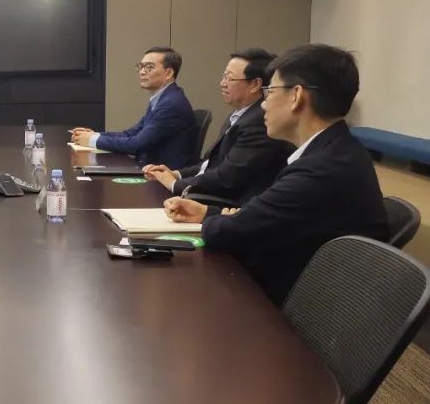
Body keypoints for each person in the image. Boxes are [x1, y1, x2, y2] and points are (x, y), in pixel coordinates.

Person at [163, 44, 388, 305]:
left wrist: (222, 221)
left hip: (289, 306)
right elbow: (257, 217)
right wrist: (207, 213)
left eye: (270, 91)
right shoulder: (336, 150)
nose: (264, 104)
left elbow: (231, 232)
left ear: (296, 96)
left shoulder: (321, 169)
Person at [142, 48, 292, 203]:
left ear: (255, 84)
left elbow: (228, 178)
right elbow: (210, 165)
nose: (222, 83)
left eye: (229, 78)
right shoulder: (239, 115)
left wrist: (175, 184)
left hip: (231, 205)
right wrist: (176, 174)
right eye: (224, 76)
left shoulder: (259, 122)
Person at [70, 47, 197, 167]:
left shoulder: (171, 104)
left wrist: (92, 140)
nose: (142, 72)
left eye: (149, 67)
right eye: (141, 66)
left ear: (168, 73)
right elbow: (131, 133)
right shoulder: (163, 99)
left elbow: (136, 145)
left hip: (159, 176)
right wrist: (96, 135)